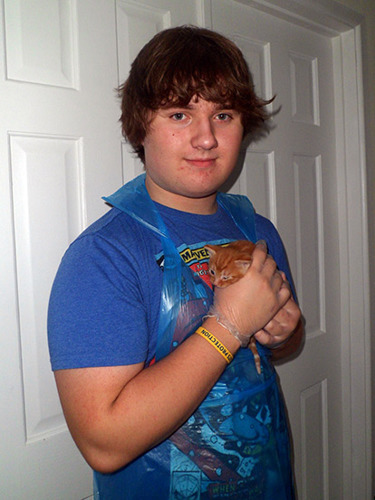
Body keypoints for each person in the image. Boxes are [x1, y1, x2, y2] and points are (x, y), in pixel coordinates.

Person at [48, 25, 302, 499]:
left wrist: (284, 332)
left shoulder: (259, 232)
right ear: (140, 125)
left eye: (222, 114)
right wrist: (230, 322)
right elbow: (104, 443)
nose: (206, 139)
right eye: (181, 114)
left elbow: (280, 350)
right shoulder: (104, 256)